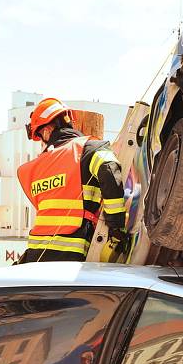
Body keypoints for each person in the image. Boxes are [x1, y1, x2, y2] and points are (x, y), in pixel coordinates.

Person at [17, 97, 127, 262]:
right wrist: (116, 225)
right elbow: (109, 169)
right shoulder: (89, 149)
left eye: (40, 136)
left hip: (35, 254)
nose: (42, 142)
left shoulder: (32, 169)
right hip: (73, 254)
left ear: (46, 130)